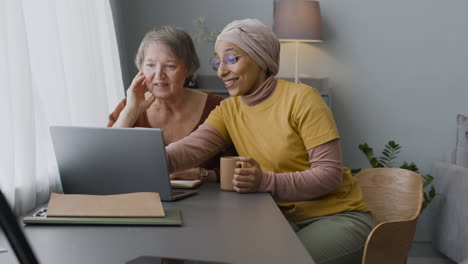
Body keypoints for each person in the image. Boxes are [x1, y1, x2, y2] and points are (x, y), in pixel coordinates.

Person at [129, 19, 372, 264]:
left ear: (260, 58)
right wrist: (138, 161)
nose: (221, 70)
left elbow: (329, 175)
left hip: (335, 217)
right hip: (278, 218)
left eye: (231, 59)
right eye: (218, 61)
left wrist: (265, 181)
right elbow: (186, 151)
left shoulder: (302, 99)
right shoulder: (228, 110)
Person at [108, 26, 225, 182]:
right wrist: (130, 112)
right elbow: (105, 161)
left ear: (188, 69)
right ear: (141, 69)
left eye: (170, 66)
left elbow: (241, 168)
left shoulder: (217, 107)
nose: (159, 75)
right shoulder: (129, 105)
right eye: (150, 65)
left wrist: (203, 174)